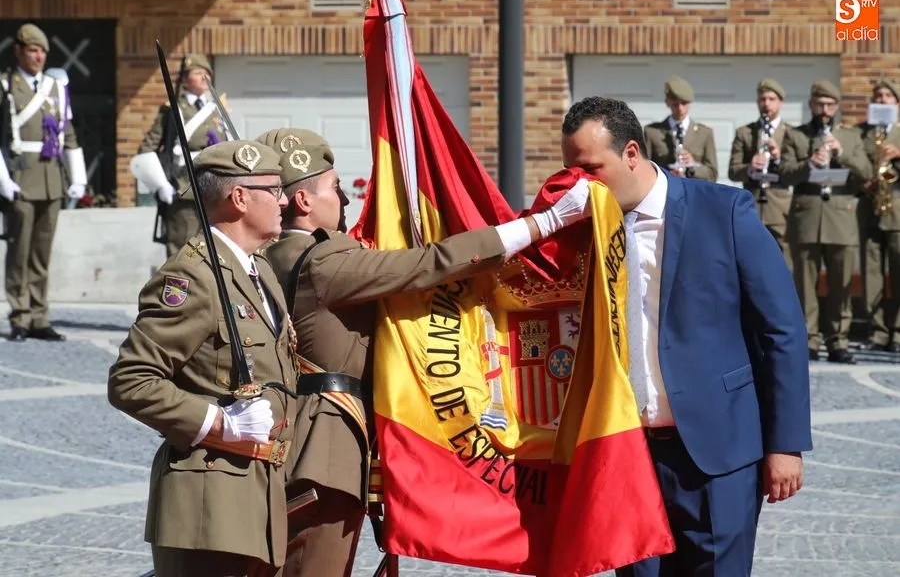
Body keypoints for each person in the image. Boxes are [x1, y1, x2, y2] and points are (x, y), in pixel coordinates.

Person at [255, 126, 592, 577]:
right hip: (325, 451)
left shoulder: (274, 255)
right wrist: (543, 224)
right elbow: (426, 264)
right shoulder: (321, 259)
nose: (345, 200)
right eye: (335, 188)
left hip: (316, 441)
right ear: (303, 202)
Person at [560, 96, 811, 577]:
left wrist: (786, 444)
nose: (579, 183)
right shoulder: (581, 228)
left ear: (631, 153)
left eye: (591, 168)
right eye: (571, 170)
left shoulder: (725, 211)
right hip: (627, 453)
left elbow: (782, 329)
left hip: (718, 454)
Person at [108, 140, 298, 576]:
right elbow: (131, 380)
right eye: (275, 189)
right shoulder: (193, 275)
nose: (284, 200)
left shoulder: (258, 269)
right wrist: (220, 423)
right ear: (240, 198)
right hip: (207, 507)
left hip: (258, 496)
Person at [0, 23, 88, 342]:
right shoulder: (7, 86)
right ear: (19, 52)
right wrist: (3, 179)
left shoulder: (55, 88)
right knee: (19, 251)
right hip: (21, 177)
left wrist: (78, 177)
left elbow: (69, 135)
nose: (38, 56)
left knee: (41, 253)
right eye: (32, 50)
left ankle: (39, 317)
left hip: (52, 179)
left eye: (42, 51)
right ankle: (20, 316)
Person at [781, 80, 873, 364]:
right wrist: (808, 163)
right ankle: (809, 339)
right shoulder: (795, 135)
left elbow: (866, 173)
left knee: (841, 284)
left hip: (841, 217)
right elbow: (784, 174)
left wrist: (841, 154)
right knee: (805, 286)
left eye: (830, 105)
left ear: (837, 107)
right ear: (811, 105)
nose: (824, 110)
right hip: (806, 217)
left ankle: (838, 340)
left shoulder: (851, 136)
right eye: (819, 104)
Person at [132, 54, 229, 258]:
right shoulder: (172, 109)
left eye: (207, 73)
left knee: (215, 252)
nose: (204, 77)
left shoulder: (218, 108)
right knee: (182, 253)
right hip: (184, 190)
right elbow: (147, 148)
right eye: (197, 73)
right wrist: (160, 185)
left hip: (214, 190)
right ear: (185, 79)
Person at [728, 78, 793, 268]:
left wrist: (779, 157)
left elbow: (795, 171)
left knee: (784, 261)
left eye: (772, 99)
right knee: (750, 260)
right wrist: (749, 167)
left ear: (781, 102)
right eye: (762, 99)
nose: (766, 104)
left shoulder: (792, 133)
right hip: (752, 204)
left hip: (780, 207)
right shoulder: (745, 132)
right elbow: (732, 171)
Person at [856, 79, 900, 353]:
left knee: (898, 272)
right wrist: (863, 178)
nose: (882, 100)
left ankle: (898, 332)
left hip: (897, 211)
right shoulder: (863, 133)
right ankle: (878, 331)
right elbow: (852, 160)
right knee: (871, 274)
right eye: (877, 96)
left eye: (887, 96)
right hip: (870, 209)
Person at [643, 76, 717, 181]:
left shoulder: (704, 133)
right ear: (667, 102)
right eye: (675, 104)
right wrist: (665, 174)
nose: (680, 108)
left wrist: (692, 166)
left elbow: (713, 174)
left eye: (684, 103)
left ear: (690, 103)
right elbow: (644, 168)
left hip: (694, 193)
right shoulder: (652, 132)